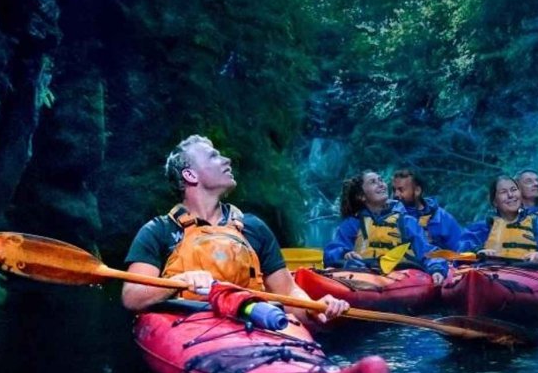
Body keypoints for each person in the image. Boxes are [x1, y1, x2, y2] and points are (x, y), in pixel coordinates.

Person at [123, 135, 348, 327]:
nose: (227, 160)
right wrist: (180, 281)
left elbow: (288, 294)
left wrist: (315, 308)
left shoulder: (253, 228)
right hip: (190, 328)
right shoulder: (159, 231)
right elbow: (132, 296)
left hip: (254, 326)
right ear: (190, 175)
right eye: (213, 156)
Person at [322, 171, 448, 284]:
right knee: (343, 266)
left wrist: (436, 269)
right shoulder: (352, 224)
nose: (381, 184)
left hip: (402, 274)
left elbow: (427, 251)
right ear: (361, 196)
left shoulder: (407, 222)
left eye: (381, 180)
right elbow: (332, 251)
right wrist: (344, 254)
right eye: (373, 182)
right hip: (363, 273)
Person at [460, 175, 538, 273]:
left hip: (529, 272)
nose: (510, 195)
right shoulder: (481, 228)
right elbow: (461, 248)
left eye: (513, 190)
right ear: (495, 201)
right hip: (489, 271)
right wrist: (477, 251)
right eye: (503, 192)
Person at [390, 167, 464, 251]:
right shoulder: (391, 217)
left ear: (417, 190)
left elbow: (459, 249)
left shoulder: (441, 217)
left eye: (401, 189)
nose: (396, 194)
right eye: (394, 190)